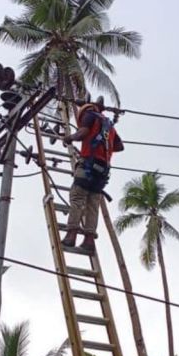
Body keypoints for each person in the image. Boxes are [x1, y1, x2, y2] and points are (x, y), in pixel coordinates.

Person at [60, 96, 124, 252]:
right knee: (93, 205)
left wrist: (70, 138)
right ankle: (89, 241)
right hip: (102, 172)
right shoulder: (109, 125)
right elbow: (120, 146)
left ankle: (71, 236)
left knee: (77, 198)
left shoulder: (89, 115)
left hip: (88, 164)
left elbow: (82, 132)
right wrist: (103, 145)